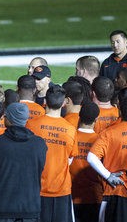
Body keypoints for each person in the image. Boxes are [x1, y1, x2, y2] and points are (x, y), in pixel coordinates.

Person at [87, 90, 127, 222]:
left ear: (120, 111)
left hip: (116, 191)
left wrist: (108, 175)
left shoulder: (110, 132)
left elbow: (91, 157)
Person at [0, 102, 47, 222]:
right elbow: (40, 167)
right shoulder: (39, 144)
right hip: (29, 208)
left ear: (10, 119)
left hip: (0, 207)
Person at [26, 85, 77, 222]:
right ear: (63, 103)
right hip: (61, 190)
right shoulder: (70, 129)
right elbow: (70, 158)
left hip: (35, 189)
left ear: (45, 102)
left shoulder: (31, 125)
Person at [70, 103, 102, 222]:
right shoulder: (100, 140)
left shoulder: (71, 136)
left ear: (79, 115)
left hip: (72, 195)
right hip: (94, 197)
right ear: (96, 119)